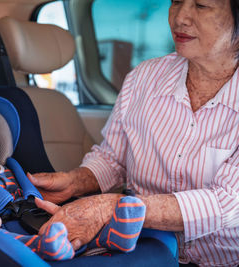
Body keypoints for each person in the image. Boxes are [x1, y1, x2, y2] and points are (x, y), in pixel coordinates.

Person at [30, 0, 239, 266]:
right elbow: (113, 158)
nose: (180, 18)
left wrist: (111, 208)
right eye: (176, 2)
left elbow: (228, 202)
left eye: (201, 5)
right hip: (140, 251)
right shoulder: (144, 78)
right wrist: (75, 181)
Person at [0, 94, 146, 260]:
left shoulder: (7, 169)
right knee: (8, 242)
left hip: (36, 218)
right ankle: (45, 247)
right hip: (1, 236)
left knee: (78, 225)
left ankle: (112, 235)